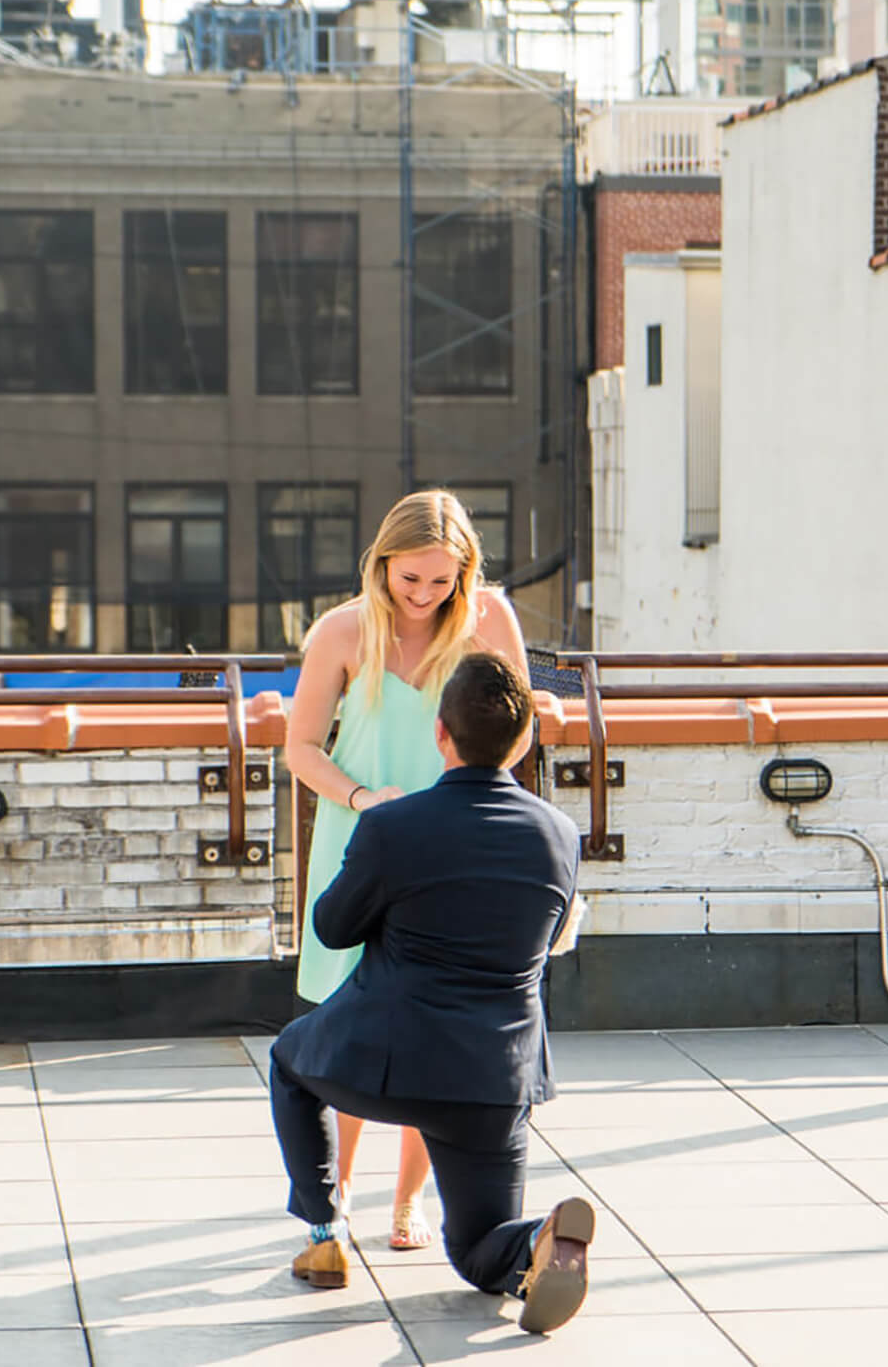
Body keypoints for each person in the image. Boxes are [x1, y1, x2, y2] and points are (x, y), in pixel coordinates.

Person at [270, 652, 593, 1335]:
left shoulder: (394, 826)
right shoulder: (561, 836)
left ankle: (324, 1228)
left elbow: (331, 928)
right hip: (495, 1079)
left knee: (290, 1062)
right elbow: (553, 932)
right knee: (477, 1250)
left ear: (440, 735)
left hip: (388, 1062)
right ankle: (534, 1239)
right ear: (523, 738)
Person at [286, 488, 529, 1250]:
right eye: (409, 579)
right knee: (351, 1019)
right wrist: (364, 799)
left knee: (436, 1025)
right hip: (361, 839)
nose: (424, 596)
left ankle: (406, 1203)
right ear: (381, 564)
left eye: (441, 581)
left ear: (465, 572)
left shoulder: (491, 619)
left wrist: (466, 799)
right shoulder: (342, 629)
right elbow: (300, 749)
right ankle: (341, 1189)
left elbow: (519, 732)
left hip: (455, 851)